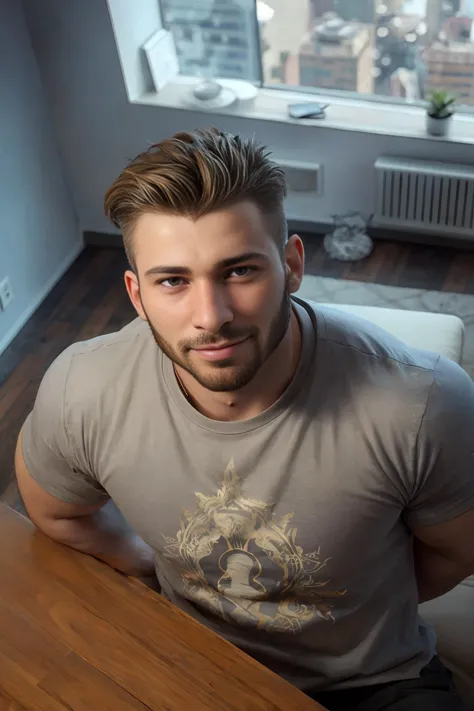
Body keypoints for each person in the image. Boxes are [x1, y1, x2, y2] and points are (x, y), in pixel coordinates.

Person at [15, 128, 474, 711]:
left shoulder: (420, 402)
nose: (211, 316)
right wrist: (149, 567)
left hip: (376, 683)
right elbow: (56, 511)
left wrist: (355, 619)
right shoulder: (83, 386)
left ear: (292, 265)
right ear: (136, 293)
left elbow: (456, 552)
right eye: (173, 281)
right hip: (189, 658)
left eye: (239, 271)